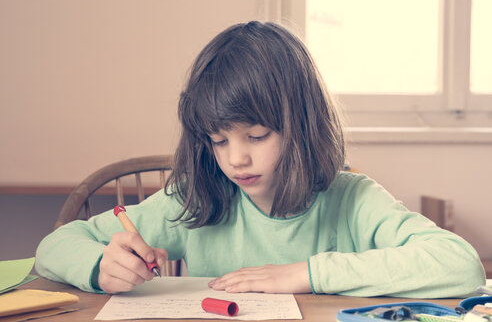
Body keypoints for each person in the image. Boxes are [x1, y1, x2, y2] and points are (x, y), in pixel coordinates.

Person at [35, 21, 485, 297]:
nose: (236, 159)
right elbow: (53, 248)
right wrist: (101, 267)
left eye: (257, 134)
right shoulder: (196, 199)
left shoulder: (352, 200)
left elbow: (460, 265)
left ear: (302, 126)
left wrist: (307, 274)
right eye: (217, 140)